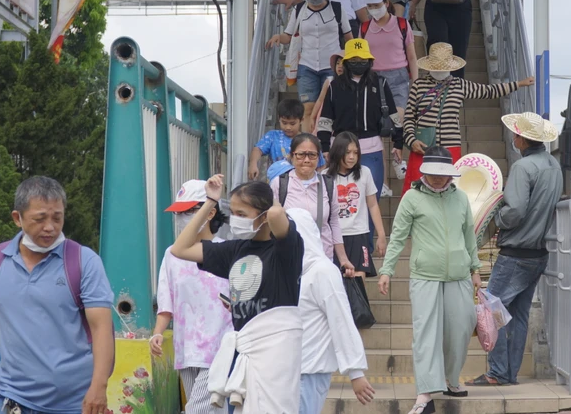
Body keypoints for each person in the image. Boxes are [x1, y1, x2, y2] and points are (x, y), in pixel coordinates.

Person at [0, 177, 115, 414]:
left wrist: (99, 388)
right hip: (11, 399)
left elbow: (102, 329)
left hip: (74, 404)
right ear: (17, 218)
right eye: (40, 219)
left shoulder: (84, 261)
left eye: (57, 218)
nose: (50, 227)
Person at [172, 175, 304, 413]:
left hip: (275, 354)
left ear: (263, 215)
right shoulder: (234, 250)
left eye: (242, 214)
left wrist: (269, 199)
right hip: (243, 351)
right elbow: (180, 249)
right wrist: (210, 202)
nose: (235, 220)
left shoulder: (285, 250)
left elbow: (277, 214)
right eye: (232, 213)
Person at [378, 147, 481, 414]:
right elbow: (398, 236)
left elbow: (469, 235)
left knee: (460, 329)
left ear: (451, 174)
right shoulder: (411, 198)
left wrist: (475, 268)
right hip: (425, 276)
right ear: (424, 172)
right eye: (433, 173)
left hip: (459, 275)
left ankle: (450, 379)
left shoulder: (461, 198)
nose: (437, 178)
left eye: (442, 173)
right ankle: (424, 392)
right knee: (426, 335)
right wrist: (387, 270)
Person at [467, 113, 563, 388]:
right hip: (538, 253)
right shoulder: (553, 165)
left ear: (521, 138)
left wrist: (497, 218)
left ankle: (497, 372)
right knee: (518, 316)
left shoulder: (523, 167)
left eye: (515, 133)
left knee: (491, 310)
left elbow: (516, 211)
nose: (513, 137)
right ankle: (509, 373)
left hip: (516, 253)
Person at [402, 43, 533, 190]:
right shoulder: (418, 85)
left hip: (451, 147)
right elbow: (408, 117)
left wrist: (519, 84)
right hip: (423, 147)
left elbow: (489, 91)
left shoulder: (459, 85)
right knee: (417, 190)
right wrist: (412, 140)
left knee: (449, 189)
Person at [151, 180, 233, 414]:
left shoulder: (227, 251)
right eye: (178, 212)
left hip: (220, 347)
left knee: (197, 409)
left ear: (210, 212)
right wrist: (157, 333)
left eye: (188, 211)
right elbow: (166, 300)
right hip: (186, 349)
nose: (181, 217)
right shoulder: (171, 254)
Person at [291, 209, 375, 414]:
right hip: (287, 367)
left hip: (310, 370)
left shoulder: (323, 272)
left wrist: (355, 372)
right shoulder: (289, 271)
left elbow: (341, 320)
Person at [318, 38, 404, 198]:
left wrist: (398, 142)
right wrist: (325, 147)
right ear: (346, 62)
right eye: (354, 60)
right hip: (340, 147)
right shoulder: (334, 86)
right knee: (341, 198)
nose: (358, 63)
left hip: (371, 149)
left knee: (372, 197)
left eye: (363, 60)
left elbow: (393, 114)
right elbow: (326, 119)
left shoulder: (380, 83)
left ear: (369, 61)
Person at [271, 0, 354, 131]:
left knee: (329, 108)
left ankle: (327, 140)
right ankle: (309, 142)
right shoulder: (299, 9)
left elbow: (349, 37)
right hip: (307, 66)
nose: (314, 2)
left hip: (331, 66)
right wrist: (278, 37)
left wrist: (349, 61)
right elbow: (288, 36)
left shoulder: (337, 8)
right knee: (307, 109)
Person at [270, 133, 356, 275]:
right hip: (289, 259)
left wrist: (343, 259)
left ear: (319, 157)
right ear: (292, 156)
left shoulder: (328, 184)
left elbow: (334, 223)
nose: (306, 160)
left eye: (312, 155)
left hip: (322, 258)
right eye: (301, 155)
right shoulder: (279, 184)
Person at [328, 131, 387, 277]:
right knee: (335, 279)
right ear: (338, 151)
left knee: (359, 279)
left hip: (359, 234)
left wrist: (381, 235)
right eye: (347, 152)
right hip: (333, 236)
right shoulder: (325, 176)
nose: (352, 157)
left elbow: (373, 205)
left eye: (355, 152)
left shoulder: (365, 172)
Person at [361, 0, 417, 113]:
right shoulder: (364, 27)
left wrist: (415, 83)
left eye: (376, 5)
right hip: (372, 77)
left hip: (399, 78)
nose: (373, 9)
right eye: (370, 6)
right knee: (375, 117)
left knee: (398, 117)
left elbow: (412, 56)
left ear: (386, 3)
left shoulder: (402, 24)